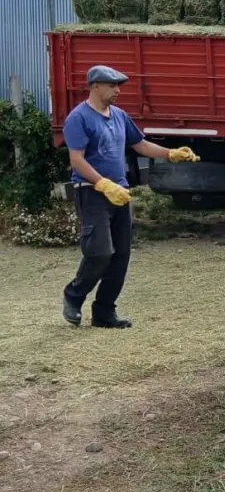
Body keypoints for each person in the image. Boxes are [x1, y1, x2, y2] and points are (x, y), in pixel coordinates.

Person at [61, 65, 201, 329]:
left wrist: (170, 153)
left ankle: (104, 313)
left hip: (120, 193)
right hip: (92, 192)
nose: (118, 90)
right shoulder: (78, 118)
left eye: (119, 86)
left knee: (121, 256)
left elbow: (140, 145)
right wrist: (102, 183)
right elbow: (76, 159)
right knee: (100, 252)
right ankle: (73, 296)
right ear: (95, 86)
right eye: (112, 85)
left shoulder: (120, 116)